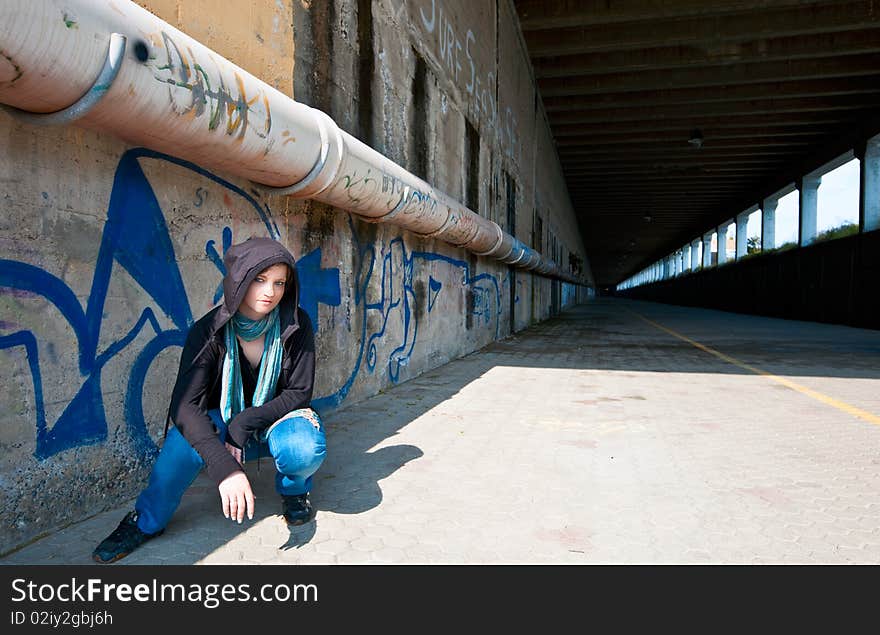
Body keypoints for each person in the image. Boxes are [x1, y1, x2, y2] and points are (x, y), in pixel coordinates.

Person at [93, 237, 326, 563]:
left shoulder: (296, 324)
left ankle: (294, 491)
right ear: (238, 279)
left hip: (276, 416)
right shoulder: (209, 331)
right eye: (259, 279)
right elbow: (185, 406)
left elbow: (299, 392)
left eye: (279, 283)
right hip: (222, 418)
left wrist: (245, 422)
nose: (269, 292)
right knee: (182, 441)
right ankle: (146, 521)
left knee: (303, 448)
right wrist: (224, 468)